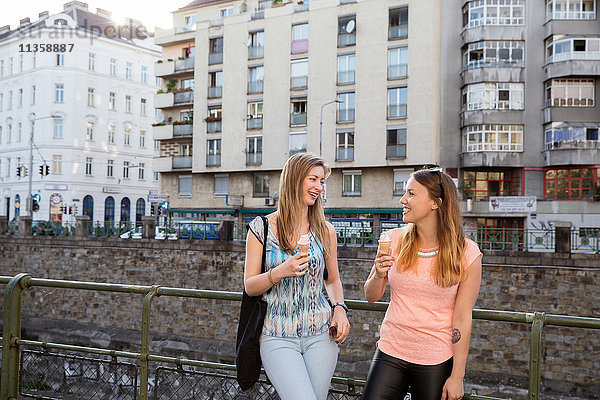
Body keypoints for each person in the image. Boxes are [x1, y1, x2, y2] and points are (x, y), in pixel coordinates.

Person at [362, 167, 482, 400]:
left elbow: (462, 317)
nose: (403, 199)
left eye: (411, 194)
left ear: (435, 203)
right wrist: (378, 274)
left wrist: (457, 376)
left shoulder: (467, 253)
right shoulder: (392, 240)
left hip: (435, 358)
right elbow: (370, 296)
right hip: (391, 350)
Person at [244, 153, 351, 400]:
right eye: (313, 179)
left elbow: (332, 280)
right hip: (277, 336)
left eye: (322, 182)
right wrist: (280, 271)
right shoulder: (262, 228)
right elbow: (250, 286)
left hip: (321, 335)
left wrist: (340, 308)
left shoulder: (325, 230)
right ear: (294, 179)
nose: (319, 187)